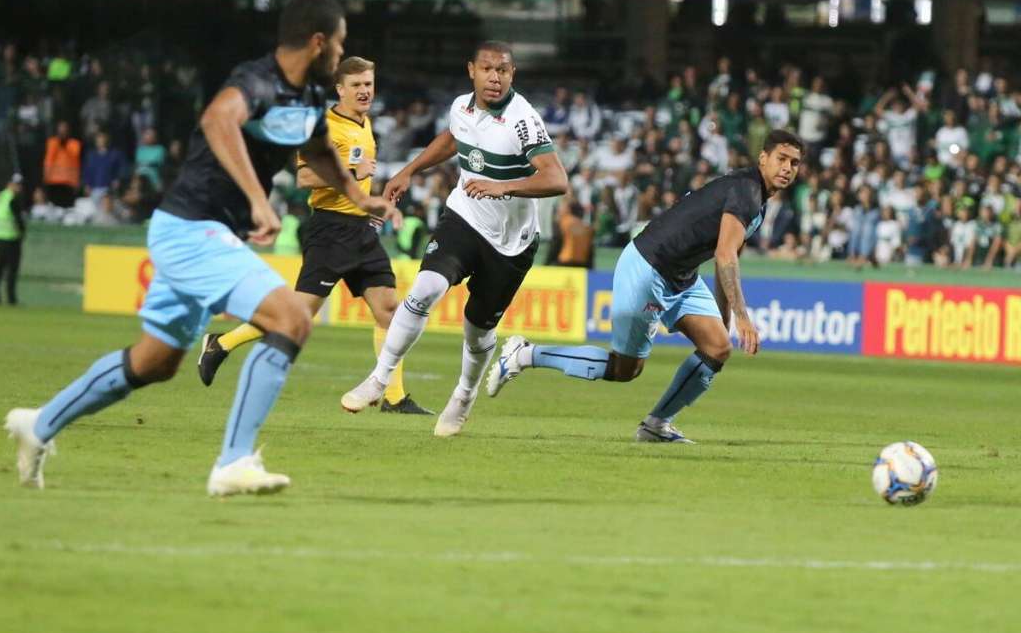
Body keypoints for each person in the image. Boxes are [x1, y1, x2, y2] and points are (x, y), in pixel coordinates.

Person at [5, 0, 394, 496]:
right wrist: (258, 199)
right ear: (318, 42)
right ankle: (233, 461)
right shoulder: (255, 80)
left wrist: (362, 196)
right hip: (192, 229)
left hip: (201, 233)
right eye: (339, 42)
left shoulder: (314, 94)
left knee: (154, 363)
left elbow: (319, 148)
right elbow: (217, 121)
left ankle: (38, 425)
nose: (342, 52)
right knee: (292, 319)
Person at [485, 129, 803, 444]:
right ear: (763, 158)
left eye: (795, 163)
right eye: (781, 159)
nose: (788, 168)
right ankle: (525, 355)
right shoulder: (746, 192)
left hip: (681, 275)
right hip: (648, 267)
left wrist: (724, 316)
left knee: (717, 346)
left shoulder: (756, 201)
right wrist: (743, 316)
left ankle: (656, 425)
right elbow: (724, 255)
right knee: (625, 369)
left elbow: (727, 256)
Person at [340, 41, 568, 437]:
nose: (494, 78)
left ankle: (464, 396)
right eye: (487, 69)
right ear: (471, 71)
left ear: (512, 75)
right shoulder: (461, 106)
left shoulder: (523, 120)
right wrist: (408, 170)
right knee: (426, 287)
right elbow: (452, 138)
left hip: (510, 243)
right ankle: (379, 378)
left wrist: (505, 188)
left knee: (477, 331)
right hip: (464, 217)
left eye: (503, 70)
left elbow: (556, 178)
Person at [195, 56, 429, 416]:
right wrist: (351, 167)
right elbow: (305, 178)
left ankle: (394, 398)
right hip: (330, 230)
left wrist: (374, 206)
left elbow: (357, 183)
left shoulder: (366, 125)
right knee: (297, 315)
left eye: (368, 84)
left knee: (389, 311)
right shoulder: (327, 127)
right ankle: (220, 343)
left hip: (360, 230)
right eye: (357, 86)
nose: (365, 91)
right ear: (340, 89)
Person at [0, 173, 26, 305]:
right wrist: (22, 233)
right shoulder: (12, 199)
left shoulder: (1, 196)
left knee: (0, 269)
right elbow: (18, 220)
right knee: (12, 270)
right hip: (11, 238)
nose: (19, 187)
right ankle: (11, 298)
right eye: (17, 184)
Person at [42, 120, 82, 208]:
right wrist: (46, 177)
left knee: (67, 205)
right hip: (54, 181)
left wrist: (76, 181)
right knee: (55, 205)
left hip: (69, 182)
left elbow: (75, 161)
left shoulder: (75, 144)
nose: (62, 132)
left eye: (64, 130)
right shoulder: (52, 142)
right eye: (61, 130)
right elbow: (48, 161)